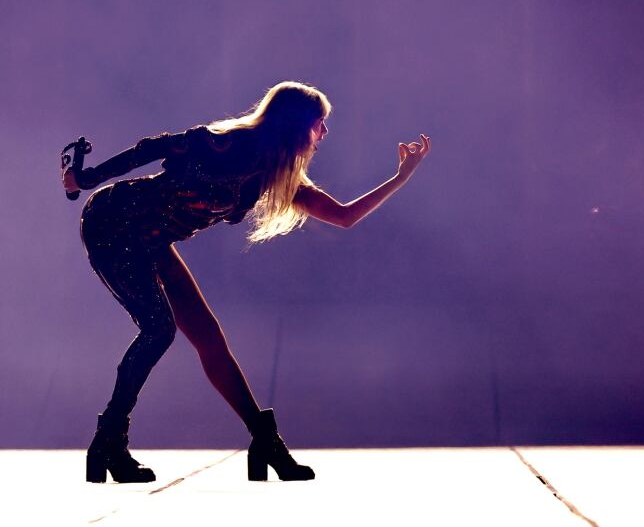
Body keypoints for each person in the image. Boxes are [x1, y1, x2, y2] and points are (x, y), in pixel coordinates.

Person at [61, 81, 431, 483]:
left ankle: (265, 443)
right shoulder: (229, 143)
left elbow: (343, 216)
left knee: (209, 338)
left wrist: (401, 177)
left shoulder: (275, 176)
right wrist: (86, 178)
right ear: (296, 124)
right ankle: (109, 443)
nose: (325, 133)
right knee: (158, 330)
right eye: (320, 123)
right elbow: (155, 147)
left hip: (151, 237)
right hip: (113, 221)